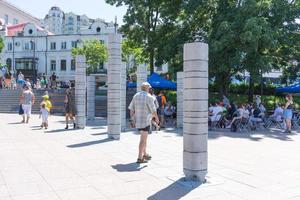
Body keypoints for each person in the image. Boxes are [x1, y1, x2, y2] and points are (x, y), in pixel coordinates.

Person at [128, 82, 159, 164]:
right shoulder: (149, 97)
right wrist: (157, 119)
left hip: (138, 121)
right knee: (143, 140)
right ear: (147, 88)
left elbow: (131, 109)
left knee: (144, 138)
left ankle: (145, 154)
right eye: (149, 88)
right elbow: (154, 110)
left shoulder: (136, 96)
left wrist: (132, 119)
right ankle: (140, 157)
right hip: (145, 121)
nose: (150, 89)